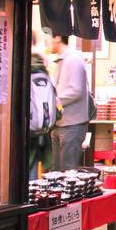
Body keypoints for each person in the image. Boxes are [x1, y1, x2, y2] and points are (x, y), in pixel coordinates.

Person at [49, 34, 90, 171]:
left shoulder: (73, 60)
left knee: (67, 170)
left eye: (48, 38)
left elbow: (75, 90)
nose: (46, 43)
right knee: (56, 169)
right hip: (60, 123)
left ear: (57, 38)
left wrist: (52, 101)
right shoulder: (63, 60)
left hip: (71, 124)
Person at [27, 48, 58, 176]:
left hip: (28, 132)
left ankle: (27, 194)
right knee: (34, 167)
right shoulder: (47, 78)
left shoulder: (25, 78)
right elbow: (57, 109)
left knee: (27, 167)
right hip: (44, 132)